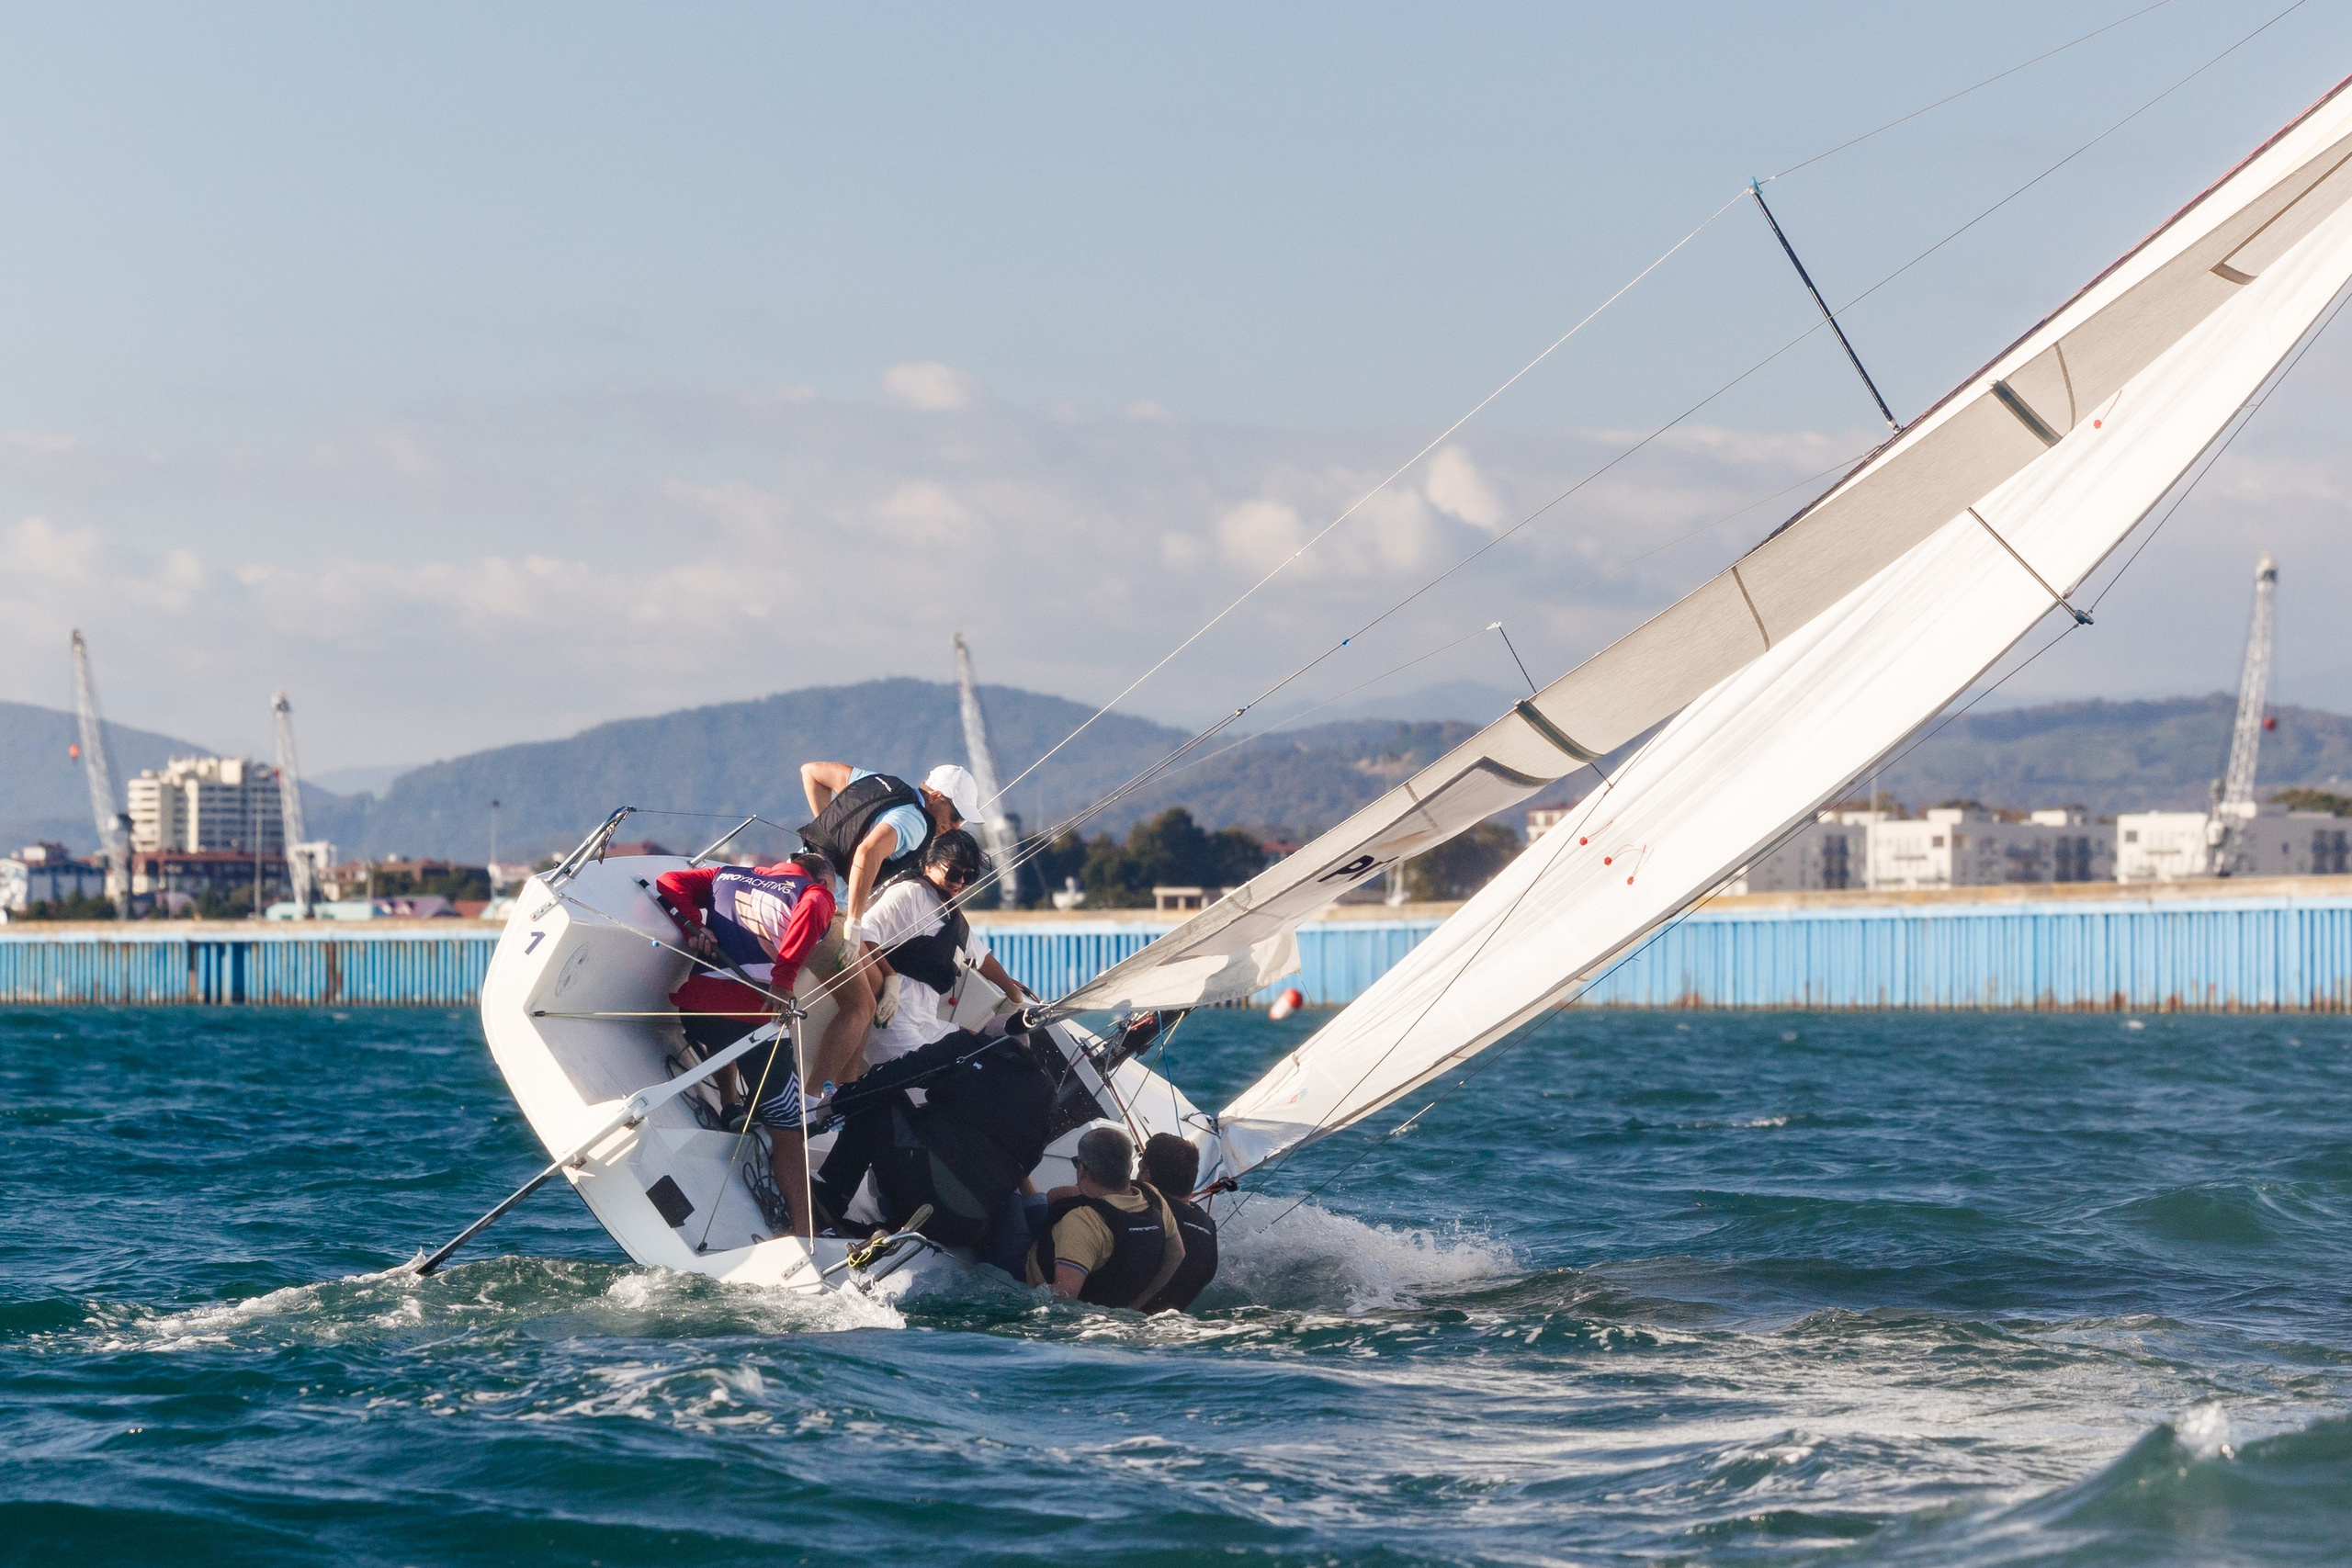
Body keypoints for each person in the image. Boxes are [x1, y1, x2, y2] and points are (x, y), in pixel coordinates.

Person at [651, 852, 837, 1239]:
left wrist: (694, 927)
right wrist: (784, 979)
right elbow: (812, 913)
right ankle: (805, 1233)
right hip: (754, 1023)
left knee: (726, 1040)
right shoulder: (815, 893)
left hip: (697, 1013)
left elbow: (669, 881)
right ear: (823, 879)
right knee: (790, 1130)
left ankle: (731, 1104)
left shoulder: (726, 874)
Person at [797, 761, 983, 1088]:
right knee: (862, 1005)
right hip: (823, 905)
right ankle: (818, 1096)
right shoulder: (916, 820)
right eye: (954, 816)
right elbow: (868, 853)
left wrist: (832, 833)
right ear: (936, 796)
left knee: (879, 987)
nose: (955, 826)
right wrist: (854, 921)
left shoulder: (878, 782)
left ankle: (847, 1084)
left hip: (800, 872)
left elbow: (811, 771)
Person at [807, 1021, 1055, 1247]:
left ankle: (828, 1202)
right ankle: (891, 1226)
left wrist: (835, 1103)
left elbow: (894, 1076)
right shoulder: (1047, 1093)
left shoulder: (971, 1047)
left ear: (986, 1037)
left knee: (880, 1100)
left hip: (925, 1196)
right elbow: (1028, 1161)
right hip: (967, 1228)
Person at [863, 829, 1035, 1072]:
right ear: (929, 864)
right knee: (938, 1080)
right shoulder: (909, 894)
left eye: (969, 876)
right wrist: (889, 979)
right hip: (893, 1019)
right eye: (954, 872)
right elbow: (864, 931)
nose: (960, 882)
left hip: (925, 1020)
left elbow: (981, 957)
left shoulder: (952, 916)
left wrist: (1014, 996)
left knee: (982, 1056)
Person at [1026, 1126, 1184, 1309]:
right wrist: (1137, 1304)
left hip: (1023, 1273)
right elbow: (1177, 1254)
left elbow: (1065, 1295)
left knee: (1015, 1191)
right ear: (1130, 1166)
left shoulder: (1082, 1222)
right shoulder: (1153, 1198)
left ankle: (1020, 1175)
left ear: (1082, 1170)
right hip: (1113, 1303)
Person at [1139, 1133, 1220, 1314]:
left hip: (1125, 1315)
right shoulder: (1207, 1225)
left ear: (1145, 1175)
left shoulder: (1144, 1211)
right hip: (1176, 1319)